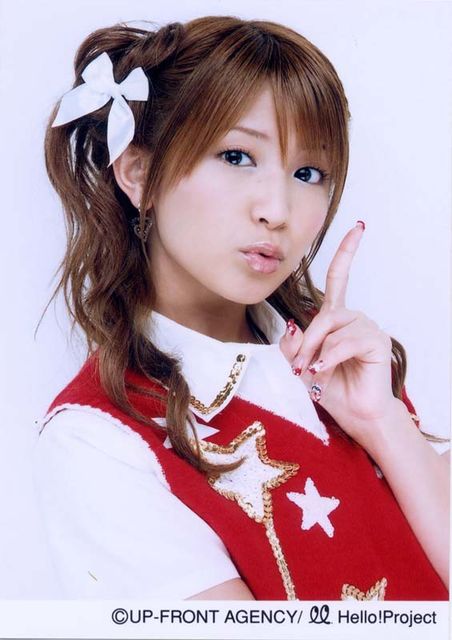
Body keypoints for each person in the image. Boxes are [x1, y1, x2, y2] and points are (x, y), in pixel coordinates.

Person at [35, 15, 449, 601]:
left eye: (308, 173)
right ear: (139, 173)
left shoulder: (348, 370)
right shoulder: (100, 440)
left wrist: (385, 425)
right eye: (236, 157)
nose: (277, 210)